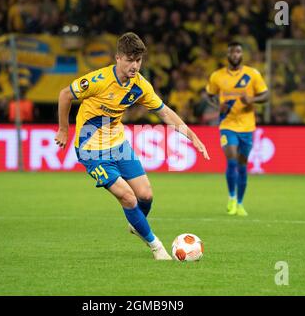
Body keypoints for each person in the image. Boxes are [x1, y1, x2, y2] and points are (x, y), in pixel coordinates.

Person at [55, 32, 209, 260]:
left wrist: (192, 136)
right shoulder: (98, 80)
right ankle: (157, 247)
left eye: (138, 60)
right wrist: (64, 129)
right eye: (130, 59)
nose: (134, 65)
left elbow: (164, 112)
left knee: (145, 195)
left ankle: (138, 225)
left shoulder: (140, 86)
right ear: (118, 57)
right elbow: (65, 94)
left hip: (117, 143)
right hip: (91, 149)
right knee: (128, 197)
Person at [206, 41, 269, 216]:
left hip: (247, 126)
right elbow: (209, 95)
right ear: (227, 55)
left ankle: (240, 203)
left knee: (242, 165)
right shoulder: (217, 76)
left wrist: (253, 100)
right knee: (231, 159)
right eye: (232, 52)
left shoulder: (252, 74)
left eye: (238, 52)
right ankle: (231, 197)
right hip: (227, 124)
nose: (235, 55)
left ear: (242, 54)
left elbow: (266, 94)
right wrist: (218, 106)